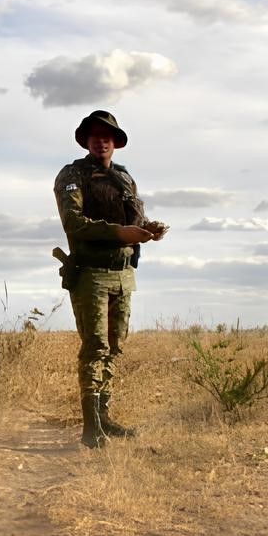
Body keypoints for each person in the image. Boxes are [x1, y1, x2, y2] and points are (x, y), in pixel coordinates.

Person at [53, 110, 167, 449]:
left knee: (114, 346)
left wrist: (148, 231)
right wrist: (119, 233)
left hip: (123, 273)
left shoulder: (123, 178)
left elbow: (136, 220)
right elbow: (73, 222)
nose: (101, 140)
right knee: (95, 348)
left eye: (107, 135)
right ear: (86, 141)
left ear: (115, 142)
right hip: (91, 274)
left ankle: (104, 417)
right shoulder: (72, 175)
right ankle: (91, 428)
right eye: (94, 135)